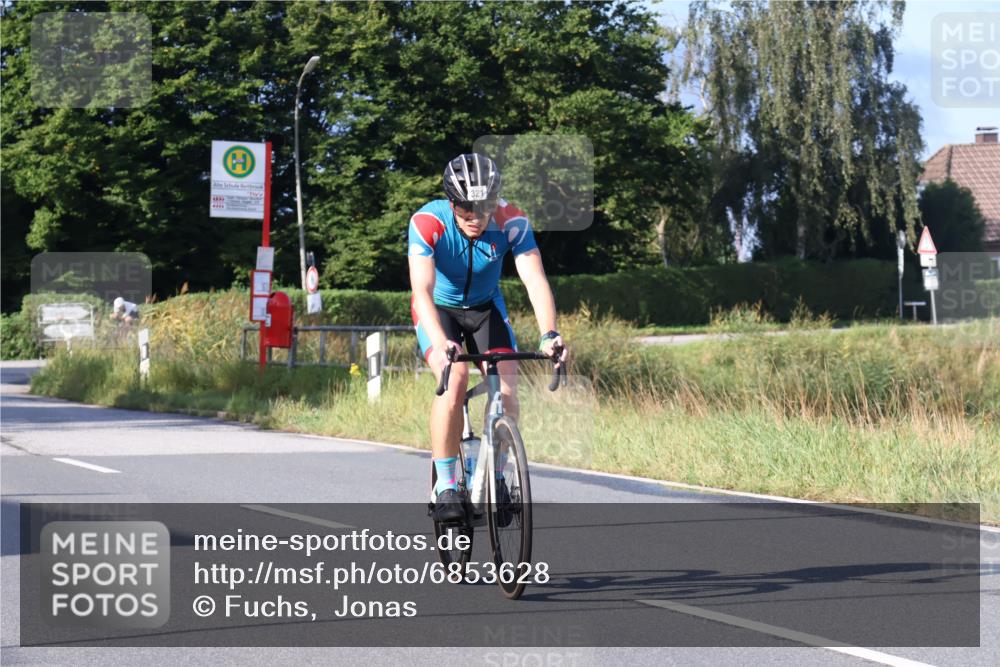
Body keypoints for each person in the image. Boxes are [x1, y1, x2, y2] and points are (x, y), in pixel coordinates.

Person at [408, 153, 569, 522]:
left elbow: (534, 280)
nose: (476, 218)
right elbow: (421, 290)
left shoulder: (512, 221)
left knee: (507, 389)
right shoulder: (428, 222)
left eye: (484, 209)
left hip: (485, 309)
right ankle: (446, 484)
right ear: (451, 203)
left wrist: (549, 334)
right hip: (438, 310)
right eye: (466, 210)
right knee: (455, 378)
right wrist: (441, 341)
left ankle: (497, 478)